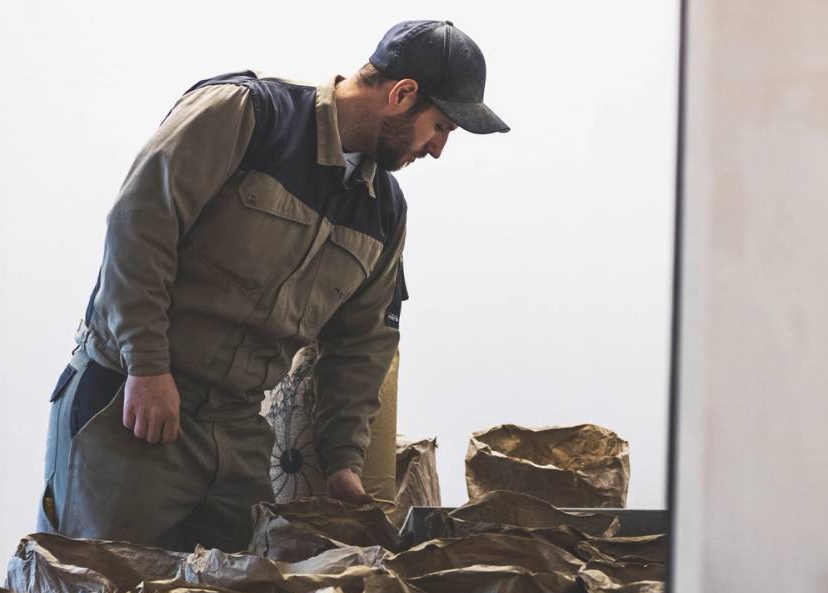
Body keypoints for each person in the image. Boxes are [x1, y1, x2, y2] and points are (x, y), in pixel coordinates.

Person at [36, 19, 509, 552]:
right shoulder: (246, 114)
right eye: (441, 126)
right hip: (132, 404)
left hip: (237, 428)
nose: (439, 149)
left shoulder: (385, 212)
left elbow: (362, 344)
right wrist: (147, 366)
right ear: (402, 94)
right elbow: (138, 227)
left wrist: (343, 462)